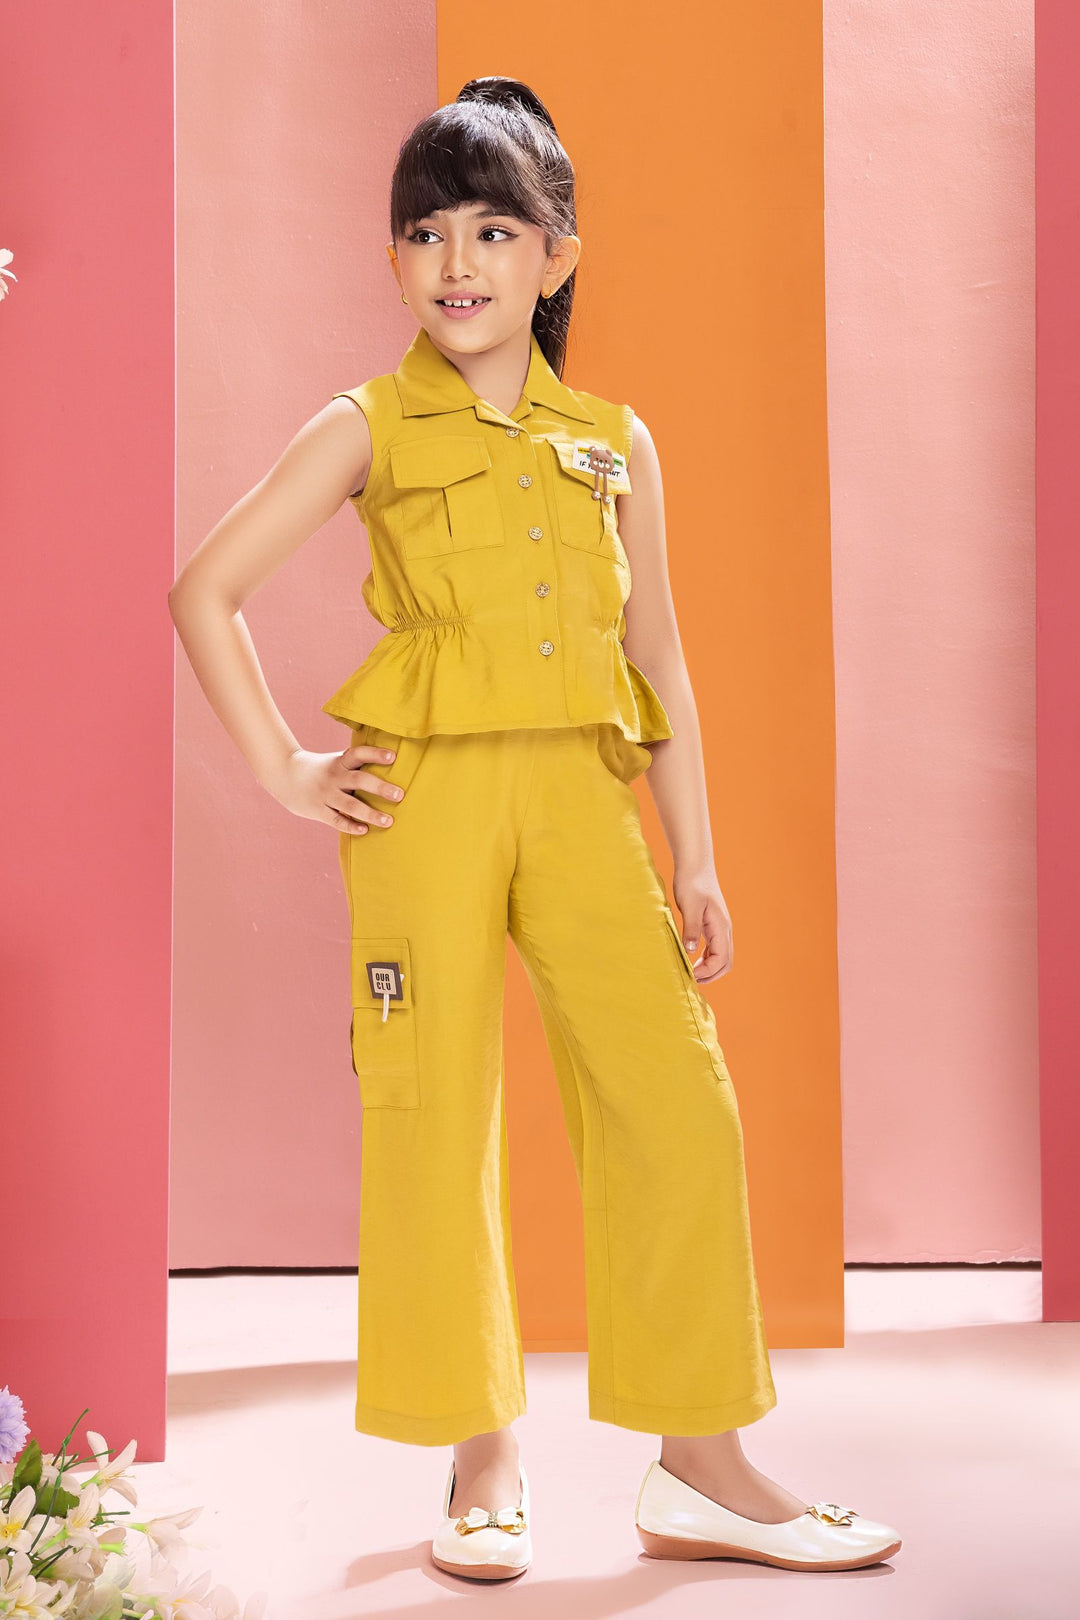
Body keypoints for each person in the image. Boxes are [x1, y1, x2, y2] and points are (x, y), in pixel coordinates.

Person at [169, 74, 902, 1582]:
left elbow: (661, 655)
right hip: (424, 804)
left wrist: (695, 854)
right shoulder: (367, 424)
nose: (459, 262)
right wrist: (289, 771)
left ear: (557, 254)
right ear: (393, 261)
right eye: (427, 232)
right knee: (433, 1118)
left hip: (583, 798)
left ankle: (702, 1466)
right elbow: (205, 589)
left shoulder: (613, 441)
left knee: (677, 1102)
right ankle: (481, 1457)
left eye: (495, 230)